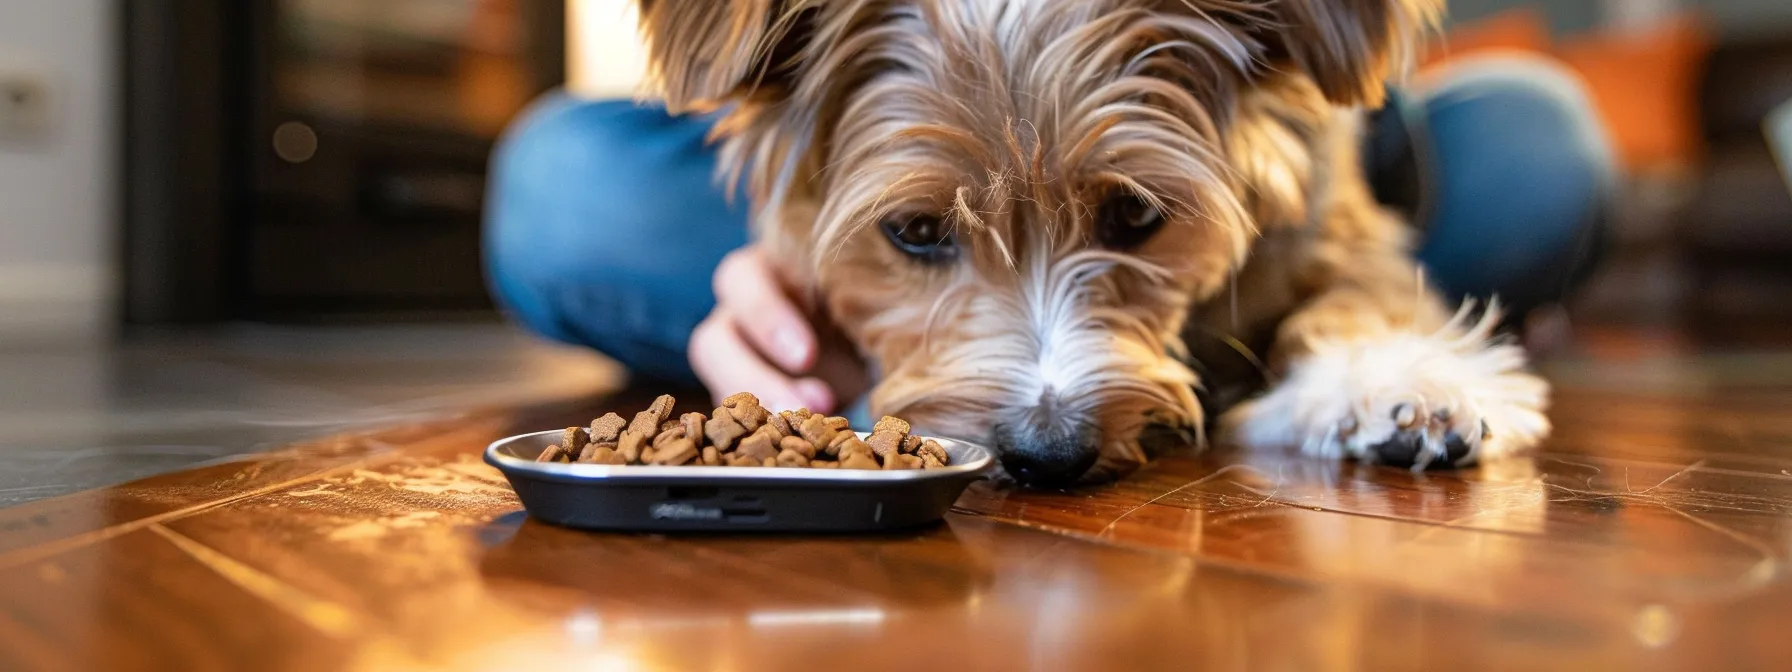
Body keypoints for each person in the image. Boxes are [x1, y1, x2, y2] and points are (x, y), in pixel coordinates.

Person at [483, 45, 1614, 418]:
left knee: (1540, 142)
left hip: (1310, 114)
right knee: (562, 189)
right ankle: (792, 318)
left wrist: (1348, 319)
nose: (1046, 395)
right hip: (908, 61)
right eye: (926, 233)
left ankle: (1242, 301)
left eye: (1125, 220)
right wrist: (780, 259)